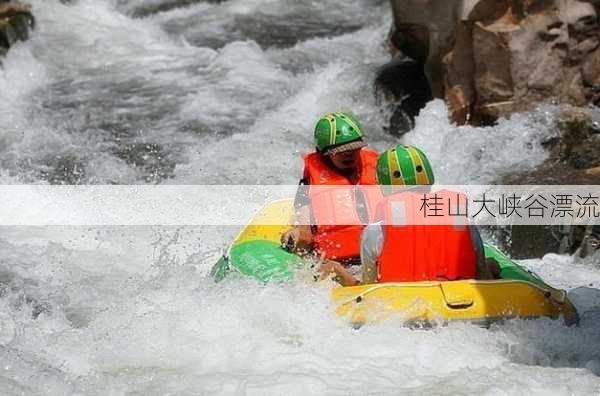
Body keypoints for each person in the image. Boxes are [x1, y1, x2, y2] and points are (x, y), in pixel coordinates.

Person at [319, 144, 499, 286]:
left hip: (405, 308)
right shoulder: (462, 219)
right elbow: (484, 281)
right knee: (491, 265)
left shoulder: (375, 231)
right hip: (461, 302)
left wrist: (339, 272)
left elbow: (368, 289)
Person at [281, 111, 381, 263]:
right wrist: (298, 233)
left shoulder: (379, 169)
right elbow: (304, 227)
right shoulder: (310, 184)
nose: (349, 155)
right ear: (324, 154)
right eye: (341, 151)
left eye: (354, 149)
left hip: (378, 255)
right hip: (340, 263)